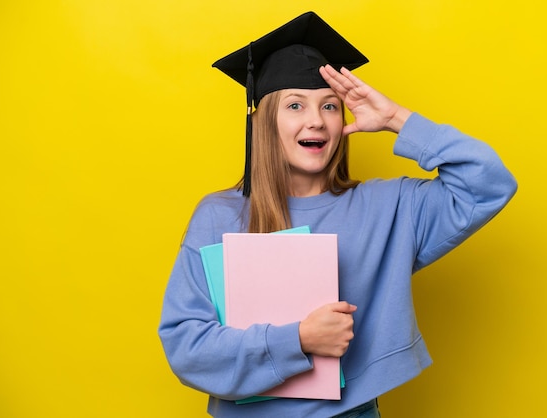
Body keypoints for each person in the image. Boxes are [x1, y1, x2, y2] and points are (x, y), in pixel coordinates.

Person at [158, 11, 517, 418]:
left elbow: (489, 183)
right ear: (264, 122)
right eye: (295, 105)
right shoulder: (219, 216)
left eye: (330, 106)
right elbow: (187, 347)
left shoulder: (389, 208)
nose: (316, 120)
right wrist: (298, 340)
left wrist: (397, 119)